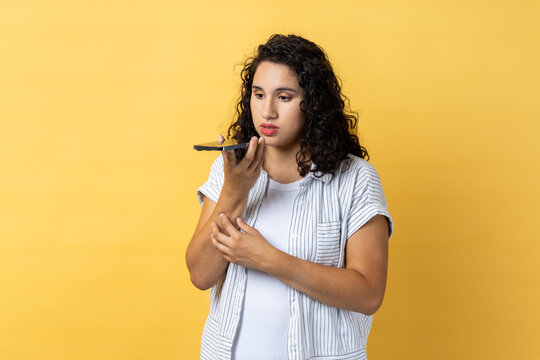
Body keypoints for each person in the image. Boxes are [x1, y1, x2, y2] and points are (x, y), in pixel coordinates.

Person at [186, 34, 394, 360]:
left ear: (312, 102)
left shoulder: (355, 180)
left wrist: (268, 259)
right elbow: (200, 275)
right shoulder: (228, 169)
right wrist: (235, 192)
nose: (267, 111)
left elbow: (368, 294)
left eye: (284, 97)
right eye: (258, 94)